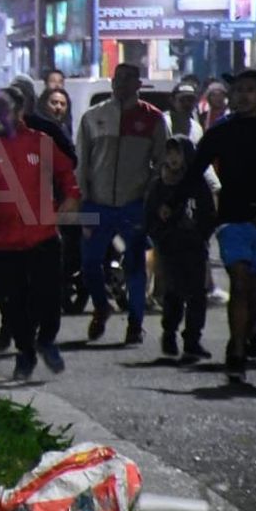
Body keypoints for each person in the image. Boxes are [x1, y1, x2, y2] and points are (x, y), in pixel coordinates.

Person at [168, 69, 256, 382]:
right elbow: (194, 172)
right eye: (238, 89)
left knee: (254, 289)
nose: (243, 95)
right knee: (240, 282)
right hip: (232, 219)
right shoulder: (221, 131)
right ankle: (236, 351)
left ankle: (247, 335)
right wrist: (171, 203)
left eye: (251, 89)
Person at [0, 88, 81, 381]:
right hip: (1, 242)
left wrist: (71, 197)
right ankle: (25, 353)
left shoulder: (40, 142)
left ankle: (46, 339)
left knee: (48, 298)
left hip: (42, 237)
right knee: (12, 304)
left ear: (19, 111)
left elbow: (66, 175)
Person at [75, 63, 167, 345]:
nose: (122, 84)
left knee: (136, 265)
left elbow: (161, 160)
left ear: (138, 84)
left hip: (133, 204)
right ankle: (102, 307)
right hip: (97, 204)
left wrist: (149, 192)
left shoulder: (153, 119)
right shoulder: (94, 117)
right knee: (89, 263)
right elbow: (81, 161)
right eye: (118, 78)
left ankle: (135, 323)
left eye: (128, 79)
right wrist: (82, 199)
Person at [145, 136, 216, 360]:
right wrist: (160, 236)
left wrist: (201, 235)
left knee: (197, 294)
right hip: (169, 247)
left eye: (178, 153)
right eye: (170, 153)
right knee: (173, 292)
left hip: (194, 247)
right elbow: (149, 216)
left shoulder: (197, 184)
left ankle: (192, 339)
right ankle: (169, 333)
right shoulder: (159, 184)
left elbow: (208, 214)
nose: (174, 159)